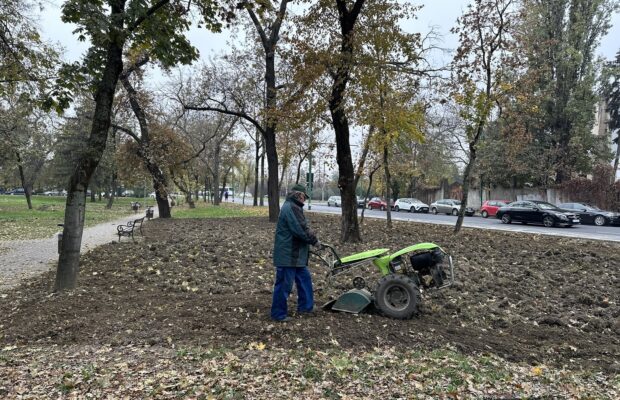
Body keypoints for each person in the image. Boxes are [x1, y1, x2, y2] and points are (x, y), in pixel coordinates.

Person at [271, 183, 322, 322]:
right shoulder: (291, 208)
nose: (304, 200)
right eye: (304, 197)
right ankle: (278, 314)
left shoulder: (293, 207)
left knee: (305, 279)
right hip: (289, 255)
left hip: (296, 255)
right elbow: (300, 229)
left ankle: (306, 307)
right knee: (284, 285)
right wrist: (315, 241)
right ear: (298, 195)